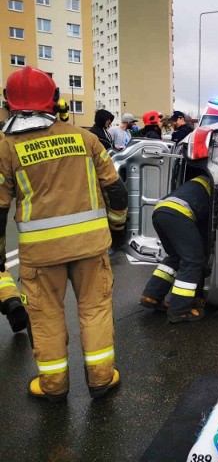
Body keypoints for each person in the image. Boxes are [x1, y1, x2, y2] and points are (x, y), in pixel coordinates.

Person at [0, 66, 128, 401]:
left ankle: (53, 387)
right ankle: (101, 379)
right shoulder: (85, 138)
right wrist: (116, 228)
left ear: (8, 102)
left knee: (46, 317)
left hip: (41, 256)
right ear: (54, 100)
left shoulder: (6, 147)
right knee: (95, 310)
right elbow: (117, 191)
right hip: (91, 248)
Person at [139, 174, 211, 323]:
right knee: (193, 261)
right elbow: (207, 229)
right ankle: (179, 310)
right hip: (179, 214)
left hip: (160, 211)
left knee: (175, 257)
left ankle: (151, 296)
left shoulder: (198, 182)